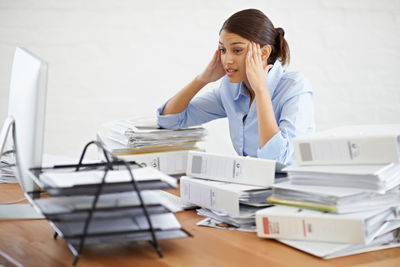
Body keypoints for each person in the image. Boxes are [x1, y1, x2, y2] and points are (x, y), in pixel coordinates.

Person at [156, 9, 314, 165]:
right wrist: (202, 80)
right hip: (250, 183)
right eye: (223, 50)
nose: (227, 60)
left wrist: (261, 90)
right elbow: (170, 120)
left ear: (264, 53)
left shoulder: (295, 87)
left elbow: (277, 160)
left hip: (290, 185)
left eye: (237, 50)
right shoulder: (231, 89)